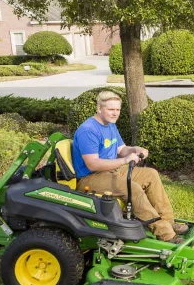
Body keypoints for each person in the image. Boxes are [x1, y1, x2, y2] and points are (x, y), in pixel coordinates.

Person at [72, 91, 187, 244]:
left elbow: (121, 150)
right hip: (90, 177)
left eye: (118, 110)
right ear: (99, 108)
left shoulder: (110, 125)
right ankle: (166, 235)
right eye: (111, 109)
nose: (115, 113)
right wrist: (124, 160)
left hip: (111, 170)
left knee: (151, 175)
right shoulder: (88, 130)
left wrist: (135, 150)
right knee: (132, 188)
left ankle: (168, 221)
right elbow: (93, 163)